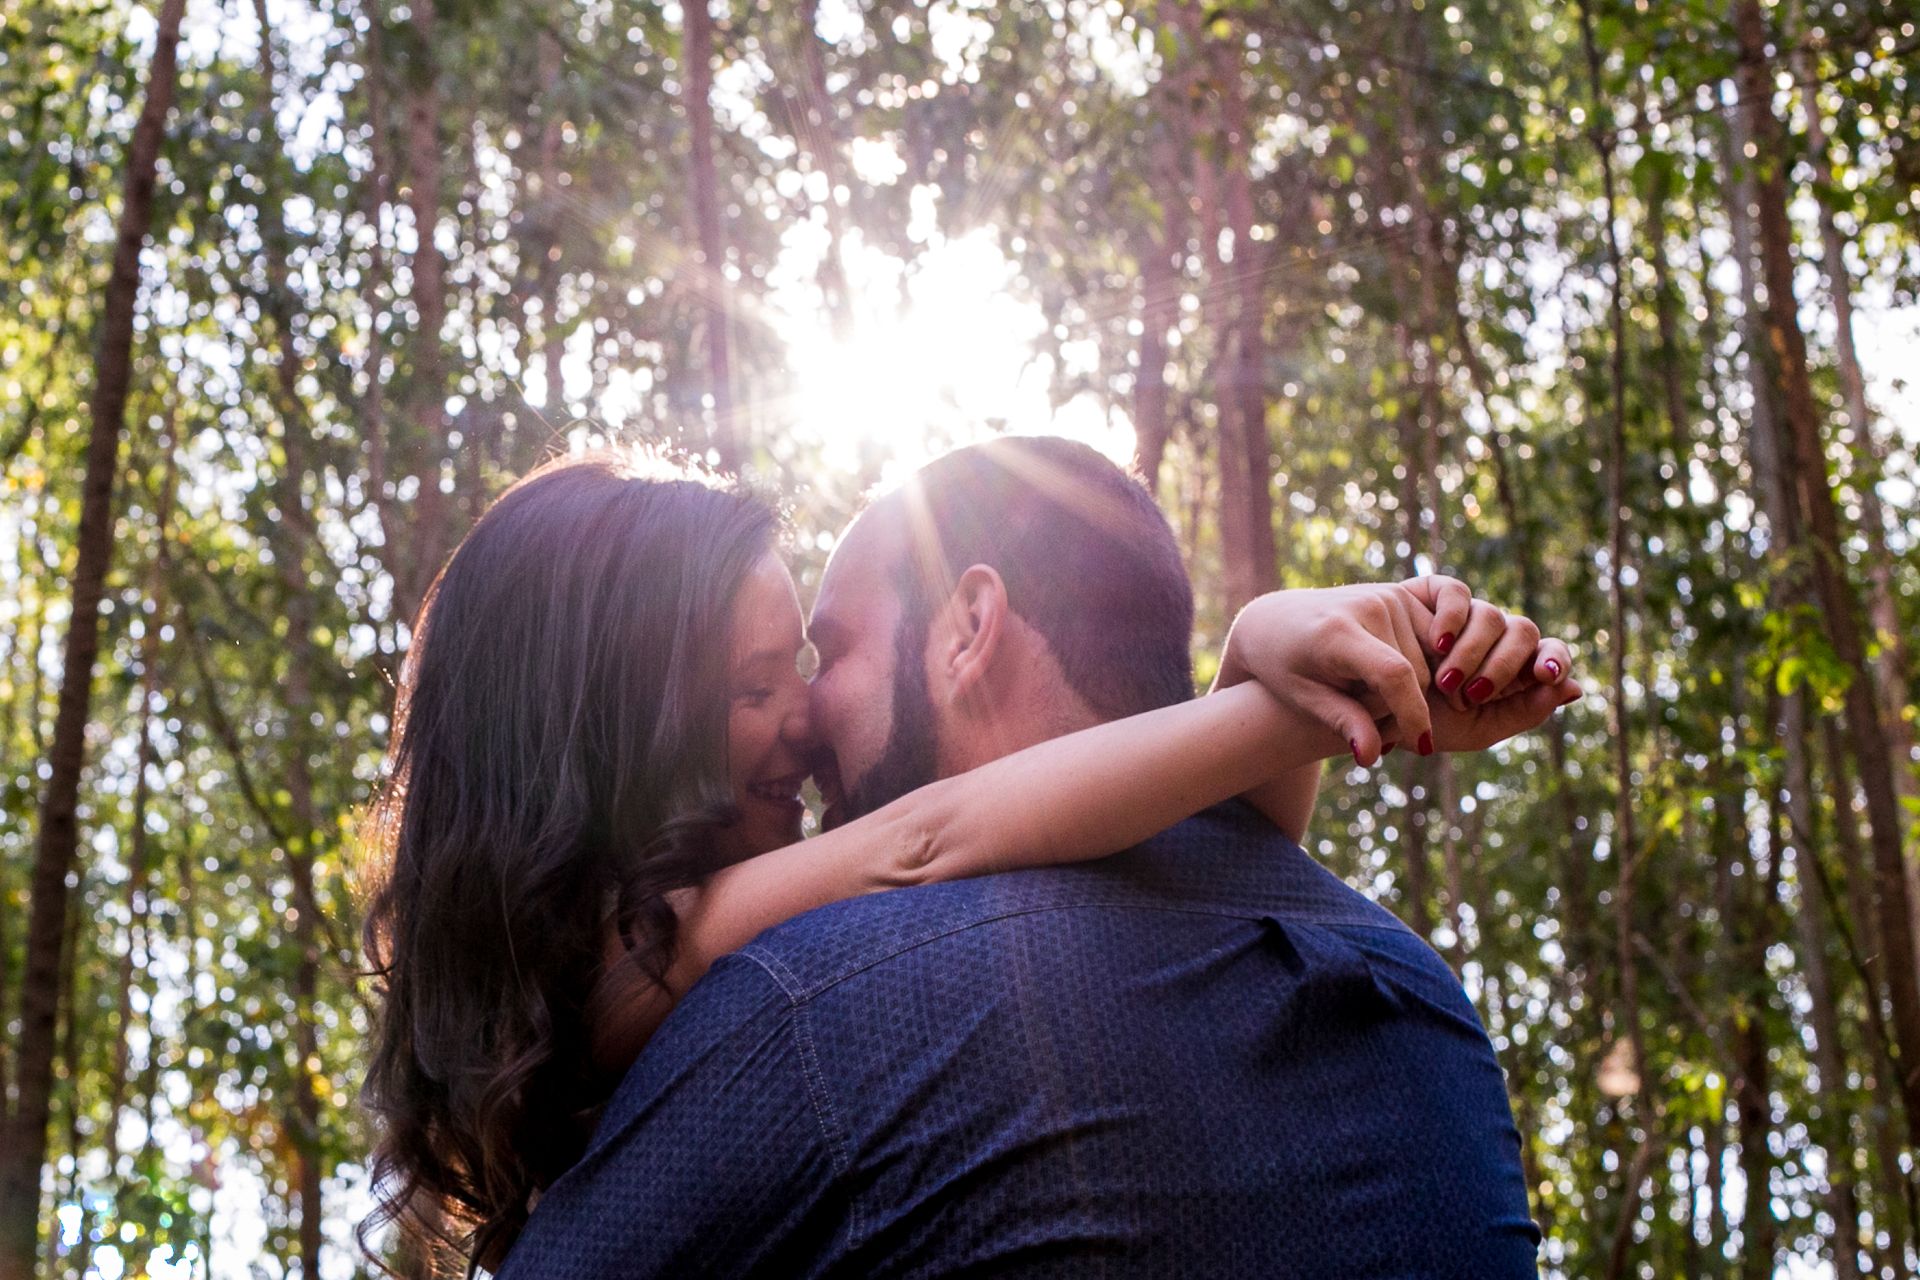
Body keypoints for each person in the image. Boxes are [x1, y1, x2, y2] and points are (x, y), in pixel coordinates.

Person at [360, 442, 1573, 1274]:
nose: (805, 719)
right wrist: (1274, 695)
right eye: (755, 684)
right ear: (624, 724)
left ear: (971, 626)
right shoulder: (1408, 992)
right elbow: (937, 838)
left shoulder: (799, 1008)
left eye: (821, 657)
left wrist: (1270, 664)